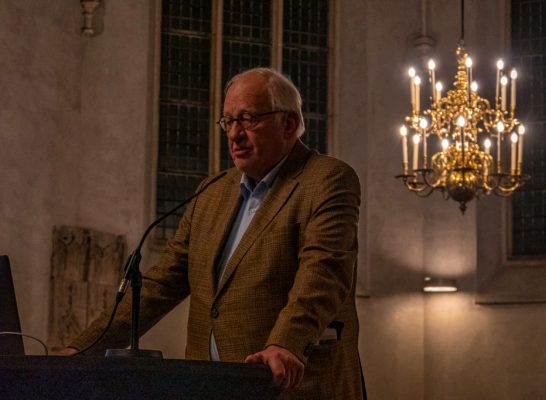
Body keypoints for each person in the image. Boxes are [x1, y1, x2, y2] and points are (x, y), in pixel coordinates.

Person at [57, 68, 363, 399]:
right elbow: (159, 285)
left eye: (248, 119)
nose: (234, 134)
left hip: (295, 387)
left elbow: (323, 273)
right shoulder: (211, 192)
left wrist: (283, 344)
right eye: (227, 121)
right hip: (211, 386)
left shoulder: (328, 179)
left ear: (288, 124)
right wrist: (82, 350)